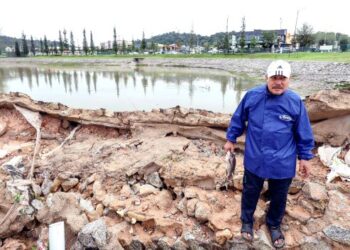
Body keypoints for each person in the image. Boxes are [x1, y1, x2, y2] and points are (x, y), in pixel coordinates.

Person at [224, 60, 314, 249]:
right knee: (250, 191)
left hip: (283, 160)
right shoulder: (252, 96)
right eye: (274, 78)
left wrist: (304, 158)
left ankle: (274, 224)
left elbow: (303, 132)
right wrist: (231, 139)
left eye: (283, 78)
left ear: (289, 80)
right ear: (266, 78)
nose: (278, 82)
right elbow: (238, 119)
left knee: (280, 195)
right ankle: (247, 221)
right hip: (255, 157)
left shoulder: (295, 101)